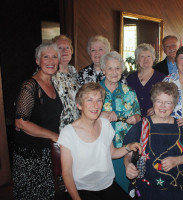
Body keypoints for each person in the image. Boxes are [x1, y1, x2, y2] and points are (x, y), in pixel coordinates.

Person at [58, 82, 141, 200]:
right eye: (90, 100)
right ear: (79, 105)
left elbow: (112, 153)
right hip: (82, 189)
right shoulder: (68, 133)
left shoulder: (105, 124)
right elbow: (66, 173)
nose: (95, 105)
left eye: (99, 100)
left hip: (107, 185)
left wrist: (128, 146)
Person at [124, 82, 183, 200]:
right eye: (159, 101)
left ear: (174, 105)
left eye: (168, 102)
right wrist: (128, 165)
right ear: (153, 102)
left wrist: (178, 160)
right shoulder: (141, 127)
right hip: (151, 191)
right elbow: (128, 155)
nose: (163, 106)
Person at [12, 42, 63, 199]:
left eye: (54, 57)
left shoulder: (52, 84)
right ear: (37, 61)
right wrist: (53, 136)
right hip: (31, 155)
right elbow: (20, 122)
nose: (50, 61)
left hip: (46, 152)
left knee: (47, 194)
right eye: (45, 57)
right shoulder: (30, 85)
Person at [99, 51, 141, 191]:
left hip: (124, 150)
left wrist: (136, 118)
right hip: (101, 150)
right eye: (110, 68)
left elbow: (139, 117)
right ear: (103, 70)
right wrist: (100, 115)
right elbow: (82, 119)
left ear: (122, 70)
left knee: (123, 189)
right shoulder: (94, 91)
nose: (114, 72)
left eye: (117, 68)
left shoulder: (129, 91)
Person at [126, 43, 165, 117]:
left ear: (153, 59)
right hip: (133, 120)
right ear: (137, 60)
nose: (145, 59)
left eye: (148, 56)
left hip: (154, 120)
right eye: (142, 56)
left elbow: (168, 100)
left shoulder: (162, 78)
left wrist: (156, 108)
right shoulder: (130, 79)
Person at [52, 34, 81, 131]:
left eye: (67, 47)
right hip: (58, 127)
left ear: (71, 51)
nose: (65, 51)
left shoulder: (73, 71)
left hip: (76, 125)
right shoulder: (49, 73)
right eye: (60, 48)